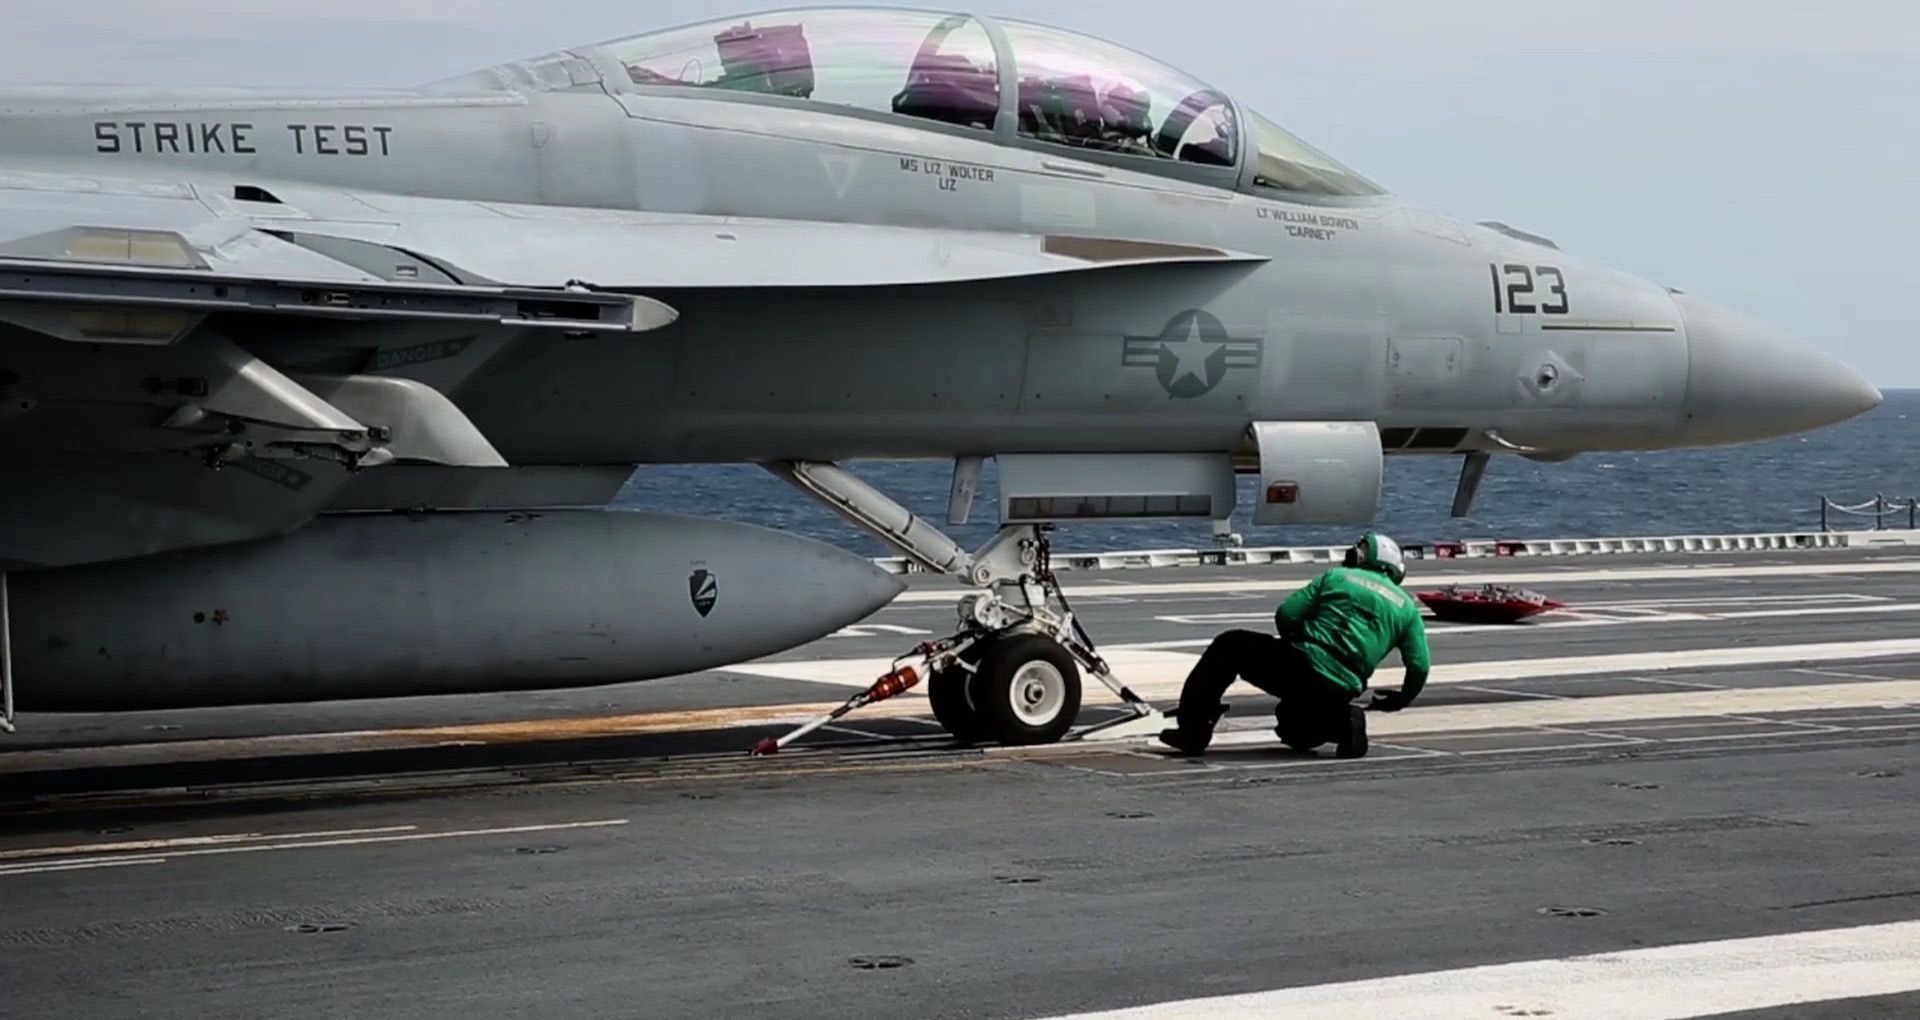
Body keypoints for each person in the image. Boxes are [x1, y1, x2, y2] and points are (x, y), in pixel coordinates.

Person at [1158, 532, 1431, 758]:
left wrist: (1295, 643)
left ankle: (1193, 731)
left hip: (1304, 664)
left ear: (1361, 556)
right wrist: (1399, 699)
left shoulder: (1337, 577)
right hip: (1342, 687)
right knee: (1292, 726)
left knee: (1229, 645)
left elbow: (1286, 613)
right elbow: (1420, 666)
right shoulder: (1407, 609)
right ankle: (1344, 722)